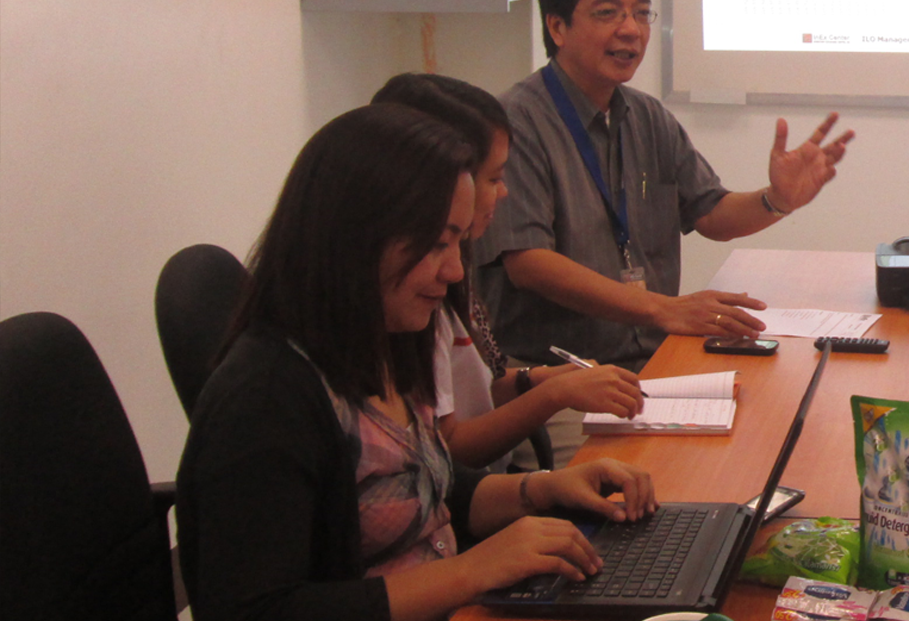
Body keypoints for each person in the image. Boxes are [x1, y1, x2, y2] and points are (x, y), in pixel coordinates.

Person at [177, 104, 661, 621]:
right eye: (435, 245)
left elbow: (430, 487)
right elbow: (253, 610)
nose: (454, 270)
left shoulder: (386, 337)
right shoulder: (265, 398)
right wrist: (471, 572)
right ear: (353, 241)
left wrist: (539, 489)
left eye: (456, 241)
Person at [476, 0, 854, 465]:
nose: (631, 29)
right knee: (641, 492)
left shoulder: (647, 116)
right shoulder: (516, 121)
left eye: (642, 13)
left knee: (774, 436)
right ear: (557, 27)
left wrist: (776, 200)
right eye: (608, 13)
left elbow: (712, 213)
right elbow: (529, 265)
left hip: (653, 361)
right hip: (561, 378)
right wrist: (666, 308)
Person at [371, 72, 646, 472]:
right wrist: (555, 394)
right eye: (495, 178)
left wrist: (540, 380)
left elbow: (479, 388)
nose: (505, 193)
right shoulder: (412, 298)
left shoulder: (447, 272)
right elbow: (450, 451)